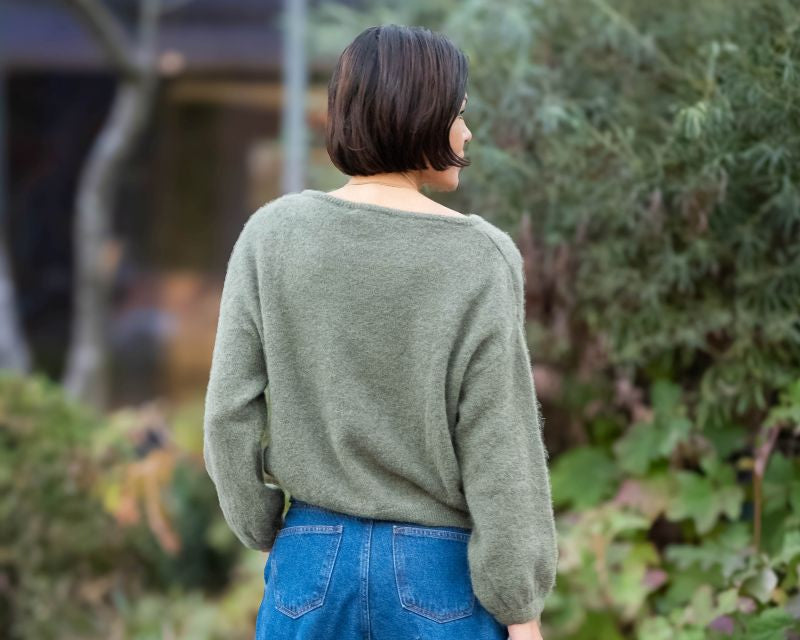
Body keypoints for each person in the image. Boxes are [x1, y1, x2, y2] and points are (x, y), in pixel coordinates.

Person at [203, 24, 558, 640]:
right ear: (422, 114)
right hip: (438, 577)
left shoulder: (272, 235)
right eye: (460, 113)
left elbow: (227, 414)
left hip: (310, 564)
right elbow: (500, 445)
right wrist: (519, 609)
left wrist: (265, 529)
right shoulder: (479, 256)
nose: (467, 133)